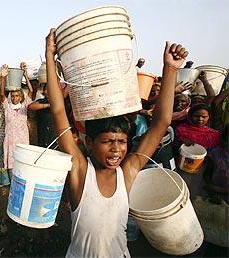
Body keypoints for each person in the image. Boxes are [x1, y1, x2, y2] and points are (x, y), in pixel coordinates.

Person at [45, 28, 188, 257]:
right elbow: (58, 110)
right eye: (108, 141)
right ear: (90, 142)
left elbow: (161, 123)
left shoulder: (128, 172)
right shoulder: (81, 172)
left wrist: (170, 69)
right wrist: (50, 57)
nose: (117, 149)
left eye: (121, 141)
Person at [0, 63, 33, 177]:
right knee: (12, 167)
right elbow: (1, 94)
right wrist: (3, 77)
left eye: (17, 96)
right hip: (10, 141)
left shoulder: (24, 106)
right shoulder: (7, 107)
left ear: (20, 96)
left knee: (24, 165)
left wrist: (25, 74)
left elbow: (31, 91)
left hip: (23, 140)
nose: (14, 98)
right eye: (13, 96)